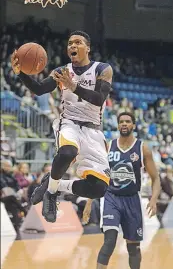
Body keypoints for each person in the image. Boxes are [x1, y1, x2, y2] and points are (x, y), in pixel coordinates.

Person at [11, 31, 113, 223]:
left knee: (99, 188)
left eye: (78, 42)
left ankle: (56, 185)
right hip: (69, 123)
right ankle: (51, 194)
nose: (72, 46)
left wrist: (73, 86)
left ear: (88, 48)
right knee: (67, 152)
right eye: (69, 43)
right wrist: (21, 73)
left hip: (94, 131)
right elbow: (40, 89)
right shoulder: (62, 71)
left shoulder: (103, 69)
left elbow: (99, 99)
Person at [95, 112, 161, 269]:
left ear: (133, 125)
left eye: (128, 121)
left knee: (133, 248)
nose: (124, 124)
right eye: (121, 121)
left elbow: (156, 178)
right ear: (117, 126)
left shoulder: (143, 148)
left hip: (132, 200)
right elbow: (98, 175)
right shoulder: (109, 146)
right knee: (109, 241)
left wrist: (153, 199)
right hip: (111, 198)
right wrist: (91, 201)